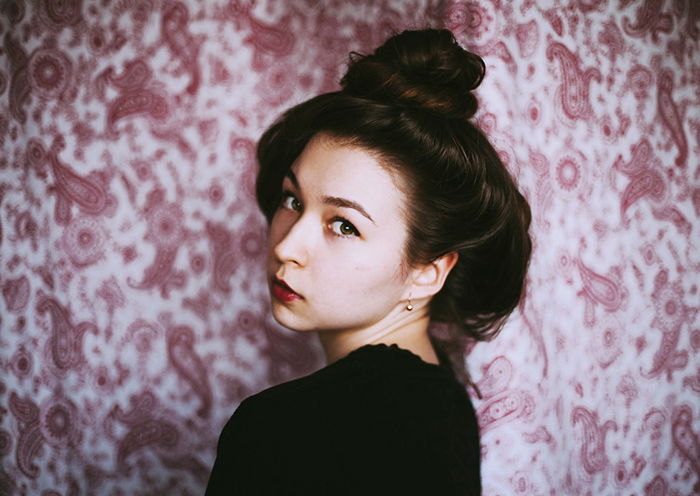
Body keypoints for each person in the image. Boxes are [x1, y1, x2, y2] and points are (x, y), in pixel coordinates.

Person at [205, 28, 531, 495]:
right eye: (292, 200)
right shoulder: (445, 401)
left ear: (428, 272)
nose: (286, 247)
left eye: (344, 225)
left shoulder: (279, 429)